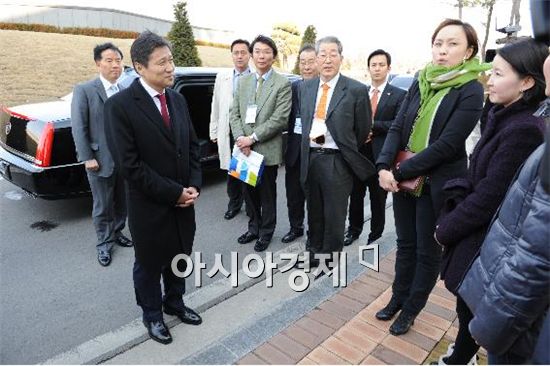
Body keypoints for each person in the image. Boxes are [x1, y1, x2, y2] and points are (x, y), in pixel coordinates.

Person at [376, 19, 489, 336]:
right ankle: (397, 297)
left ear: (469, 51)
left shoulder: (470, 89)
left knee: (427, 251)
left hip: (435, 184)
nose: (443, 50)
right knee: (405, 245)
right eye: (439, 43)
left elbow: (448, 145)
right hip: (403, 180)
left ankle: (411, 309)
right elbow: (398, 126)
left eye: (452, 44)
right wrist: (384, 166)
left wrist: (398, 172)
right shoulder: (420, 79)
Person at [104, 31, 203, 345]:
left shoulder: (177, 98)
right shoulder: (120, 106)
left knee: (180, 255)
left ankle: (175, 301)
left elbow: (191, 147)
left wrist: (194, 186)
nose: (170, 67)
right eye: (162, 62)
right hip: (149, 205)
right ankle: (153, 315)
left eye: (171, 60)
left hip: (184, 201)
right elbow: (129, 166)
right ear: (139, 66)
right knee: (149, 264)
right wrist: (173, 193)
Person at [455, 40, 549, 365]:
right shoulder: (500, 114)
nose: (490, 80)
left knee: (475, 315)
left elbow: (490, 196)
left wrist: (445, 229)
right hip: (486, 245)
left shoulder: (525, 130)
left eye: (498, 74)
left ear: (527, 81)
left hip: (493, 250)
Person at [300, 36, 374, 267]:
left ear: (341, 58)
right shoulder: (306, 86)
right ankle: (314, 252)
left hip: (337, 160)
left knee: (334, 213)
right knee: (314, 209)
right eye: (323, 54)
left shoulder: (356, 90)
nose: (327, 59)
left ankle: (329, 259)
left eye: (333, 54)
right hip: (310, 157)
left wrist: (343, 146)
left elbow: (362, 130)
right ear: (316, 58)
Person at [71, 42, 132, 267]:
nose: (115, 65)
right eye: (109, 60)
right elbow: (79, 127)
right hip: (99, 160)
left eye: (118, 60)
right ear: (98, 63)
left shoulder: (125, 91)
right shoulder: (85, 90)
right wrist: (87, 157)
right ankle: (104, 244)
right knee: (102, 205)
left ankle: (117, 232)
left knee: (122, 202)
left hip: (124, 161)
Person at [230, 35, 292, 252]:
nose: (261, 55)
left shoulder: (282, 84)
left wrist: (252, 138)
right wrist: (241, 140)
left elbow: (280, 118)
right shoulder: (243, 81)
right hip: (244, 150)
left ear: (273, 56)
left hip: (266, 150)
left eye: (266, 51)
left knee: (267, 194)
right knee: (249, 192)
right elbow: (234, 113)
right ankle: (253, 227)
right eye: (257, 51)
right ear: (251, 54)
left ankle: (266, 232)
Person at [344, 49, 406, 247]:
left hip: (382, 155)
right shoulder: (358, 92)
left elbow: (399, 124)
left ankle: (375, 235)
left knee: (378, 198)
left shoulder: (399, 95)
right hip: (359, 153)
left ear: (388, 67)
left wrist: (372, 127)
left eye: (381, 65)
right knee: (355, 194)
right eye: (373, 65)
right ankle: (353, 230)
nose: (377, 68)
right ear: (368, 68)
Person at [210, 39, 252, 220]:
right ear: (232, 55)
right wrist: (214, 130)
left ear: (250, 54)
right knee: (231, 172)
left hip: (248, 133)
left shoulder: (255, 77)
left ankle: (251, 206)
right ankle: (234, 204)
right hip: (227, 131)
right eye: (236, 52)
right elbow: (216, 105)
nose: (240, 56)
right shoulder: (223, 77)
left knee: (246, 172)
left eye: (244, 52)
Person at [281, 44, 319, 244]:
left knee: (313, 197)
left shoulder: (324, 89)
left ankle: (314, 232)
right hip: (295, 150)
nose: (306, 66)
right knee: (293, 194)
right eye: (302, 62)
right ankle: (296, 227)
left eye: (311, 61)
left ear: (318, 62)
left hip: (314, 151)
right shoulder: (294, 87)